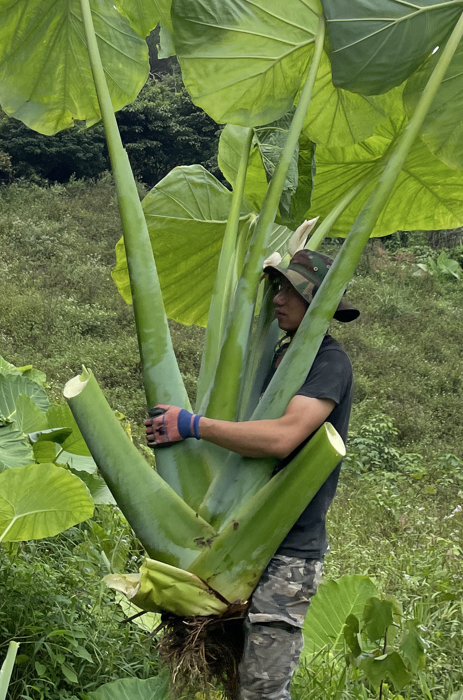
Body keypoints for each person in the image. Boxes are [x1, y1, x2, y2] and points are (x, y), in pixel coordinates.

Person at [144, 248, 357, 700]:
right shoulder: (279, 356)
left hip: (286, 552)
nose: (278, 299)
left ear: (318, 303)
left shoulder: (328, 362)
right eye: (278, 288)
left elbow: (282, 437)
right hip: (237, 545)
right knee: (238, 685)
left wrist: (194, 425)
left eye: (292, 291)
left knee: (262, 692)